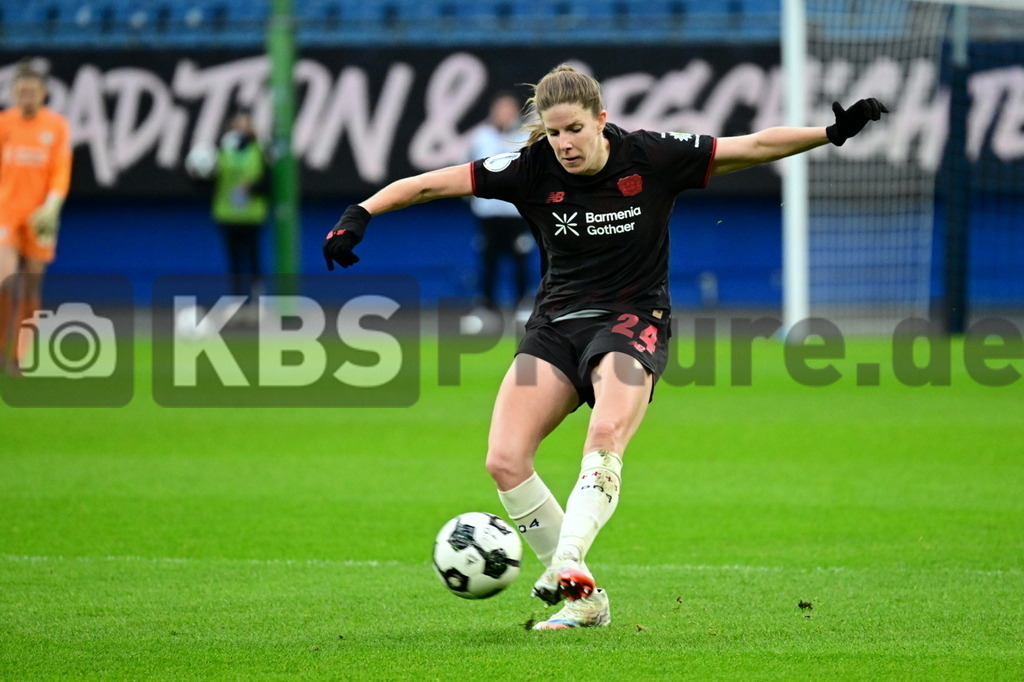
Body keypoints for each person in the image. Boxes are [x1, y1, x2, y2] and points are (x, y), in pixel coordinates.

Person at [323, 64, 887, 630]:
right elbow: (429, 184)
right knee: (504, 460)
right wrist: (360, 213)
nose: (564, 144)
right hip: (556, 325)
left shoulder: (652, 155)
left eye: (574, 129)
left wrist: (829, 133)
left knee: (605, 433)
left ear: (601, 120)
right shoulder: (530, 168)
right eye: (553, 132)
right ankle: (585, 600)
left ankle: (567, 560)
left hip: (634, 317)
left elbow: (753, 146)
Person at [0, 60, 72, 374]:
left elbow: (61, 171)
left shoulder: (56, 127)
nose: (26, 96)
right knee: (4, 279)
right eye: (21, 91)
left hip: (41, 217)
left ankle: (20, 354)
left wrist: (52, 207)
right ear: (13, 93)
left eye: (32, 91)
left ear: (43, 93)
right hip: (6, 213)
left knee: (31, 285)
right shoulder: (4, 124)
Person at [189, 108, 269, 306]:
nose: (241, 129)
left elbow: (269, 184)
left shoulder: (259, 151)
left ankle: (257, 298)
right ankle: (237, 298)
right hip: (228, 215)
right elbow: (209, 182)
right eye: (237, 125)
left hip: (252, 216)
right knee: (234, 260)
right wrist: (197, 174)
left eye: (245, 125)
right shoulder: (221, 151)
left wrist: (252, 188)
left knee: (253, 258)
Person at [466, 91, 533, 313]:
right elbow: (467, 169)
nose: (504, 113)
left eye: (509, 109)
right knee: (489, 258)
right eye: (501, 109)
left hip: (517, 212)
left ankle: (522, 301)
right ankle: (486, 304)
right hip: (489, 213)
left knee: (521, 257)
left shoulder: (526, 137)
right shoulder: (481, 136)